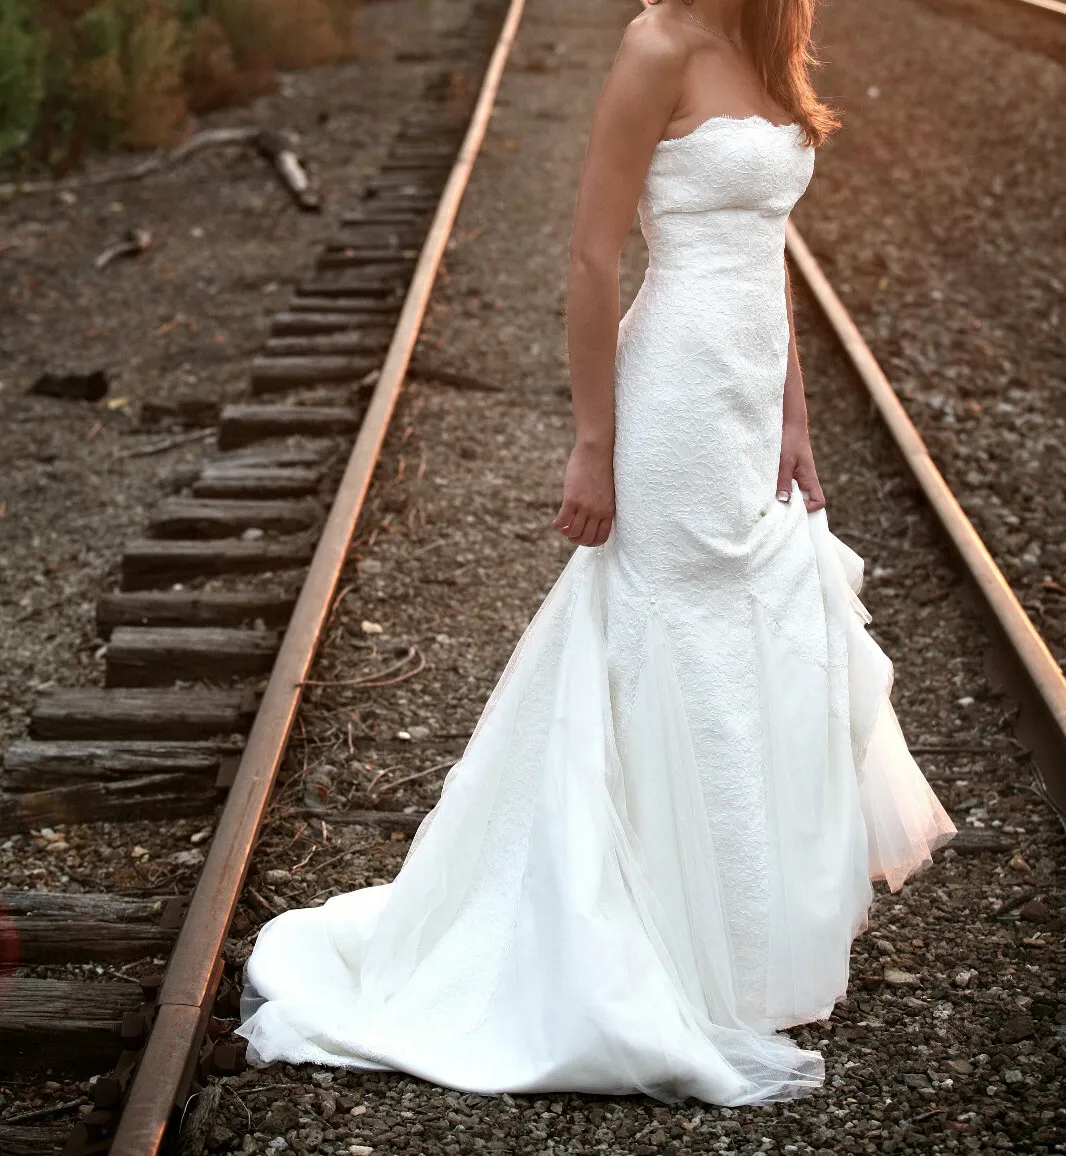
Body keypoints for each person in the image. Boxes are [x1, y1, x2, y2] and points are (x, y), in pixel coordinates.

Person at [236, 0, 957, 1105]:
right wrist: (593, 439)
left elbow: (767, 259)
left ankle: (741, 935)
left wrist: (794, 416)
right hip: (669, 396)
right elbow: (590, 252)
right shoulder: (656, 41)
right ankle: (644, 932)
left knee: (754, 641)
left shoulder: (772, 36)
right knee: (675, 634)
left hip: (748, 389)